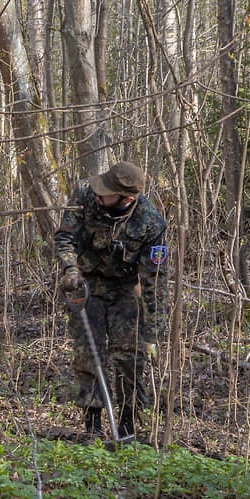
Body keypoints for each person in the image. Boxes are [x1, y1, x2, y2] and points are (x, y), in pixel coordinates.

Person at [54, 161, 168, 438]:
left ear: (126, 198)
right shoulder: (83, 194)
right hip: (86, 284)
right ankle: (92, 425)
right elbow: (64, 238)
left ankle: (127, 424)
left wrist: (153, 333)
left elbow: (155, 280)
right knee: (88, 351)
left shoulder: (151, 222)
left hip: (126, 289)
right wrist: (70, 269)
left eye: (105, 192)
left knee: (130, 355)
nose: (97, 194)